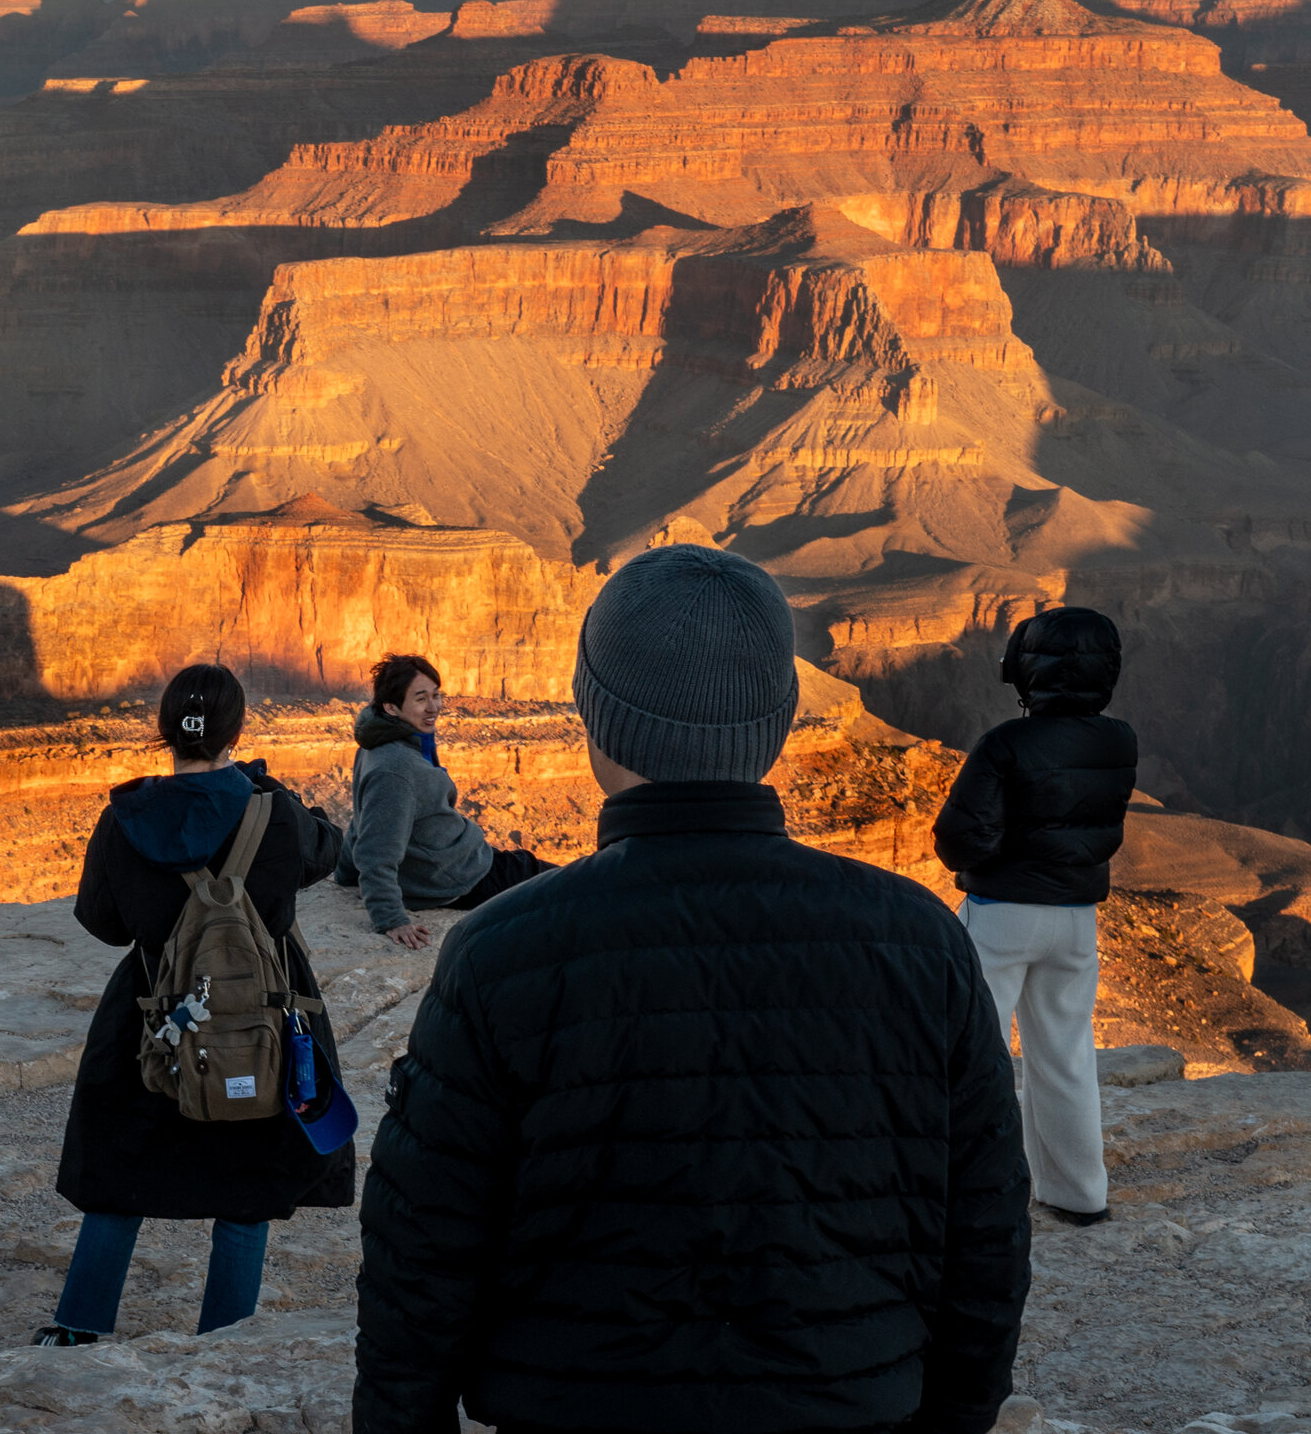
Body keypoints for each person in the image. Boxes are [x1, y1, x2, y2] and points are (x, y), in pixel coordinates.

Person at [356, 546, 1032, 1434]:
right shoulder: (919, 942)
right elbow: (986, 1231)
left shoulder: (501, 954)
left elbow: (423, 1250)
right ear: (782, 721)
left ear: (593, 717)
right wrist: (951, 1417)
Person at [38, 662, 351, 1345]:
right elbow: (327, 851)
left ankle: (79, 1328)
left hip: (153, 1018)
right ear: (237, 730)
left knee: (120, 1167)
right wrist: (267, 789)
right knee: (246, 1187)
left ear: (164, 732)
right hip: (256, 1019)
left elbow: (102, 921)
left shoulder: (123, 819)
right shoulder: (273, 813)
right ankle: (226, 1341)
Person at [934, 606, 1139, 1228]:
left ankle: (976, 1197)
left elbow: (960, 838)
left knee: (976, 1057)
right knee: (1067, 1056)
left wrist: (982, 861)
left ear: (1026, 669)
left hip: (1001, 916)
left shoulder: (1006, 744)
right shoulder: (1120, 739)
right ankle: (1079, 1195)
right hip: (1075, 920)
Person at [343, 653, 549, 948]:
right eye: (420, 698)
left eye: (436, 695)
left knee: (548, 874)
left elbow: (362, 817)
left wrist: (345, 872)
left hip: (457, 858)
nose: (434, 707)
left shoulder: (381, 742)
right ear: (391, 706)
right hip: (460, 877)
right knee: (571, 887)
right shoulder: (395, 768)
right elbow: (376, 847)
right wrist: (391, 918)